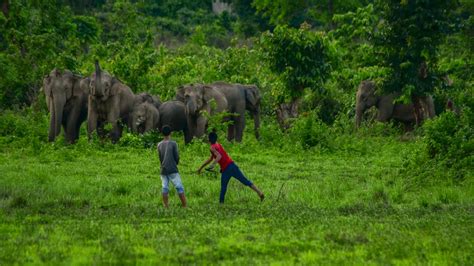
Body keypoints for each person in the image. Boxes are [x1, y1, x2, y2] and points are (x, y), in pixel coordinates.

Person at [197, 132, 264, 203]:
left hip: (226, 169)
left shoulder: (212, 147)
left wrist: (212, 165)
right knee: (245, 181)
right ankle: (259, 192)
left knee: (223, 188)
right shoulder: (218, 144)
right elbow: (211, 158)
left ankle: (221, 204)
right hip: (232, 165)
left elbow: (219, 156)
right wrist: (200, 167)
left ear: (209, 139)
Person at [157, 125, 187, 208]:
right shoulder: (173, 143)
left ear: (162, 134)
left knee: (165, 187)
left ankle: (166, 206)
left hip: (163, 169)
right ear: (171, 133)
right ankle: (184, 205)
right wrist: (176, 163)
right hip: (172, 168)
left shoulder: (159, 144)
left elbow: (160, 158)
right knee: (179, 187)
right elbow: (176, 157)